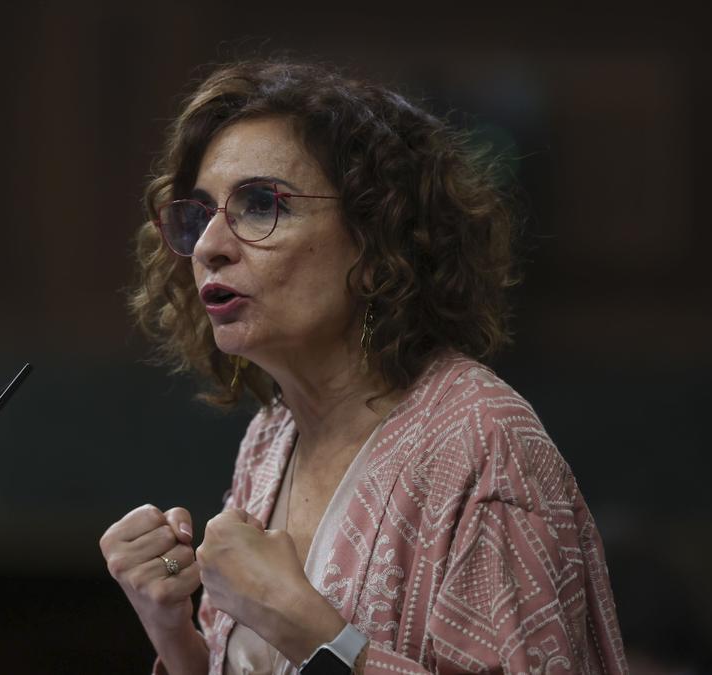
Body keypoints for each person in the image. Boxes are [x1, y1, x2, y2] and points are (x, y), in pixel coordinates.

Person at [99, 60, 627, 675]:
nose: (210, 246)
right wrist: (175, 637)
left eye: (261, 205)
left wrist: (308, 629)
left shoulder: (485, 447)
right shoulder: (271, 439)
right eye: (201, 214)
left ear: (377, 241)